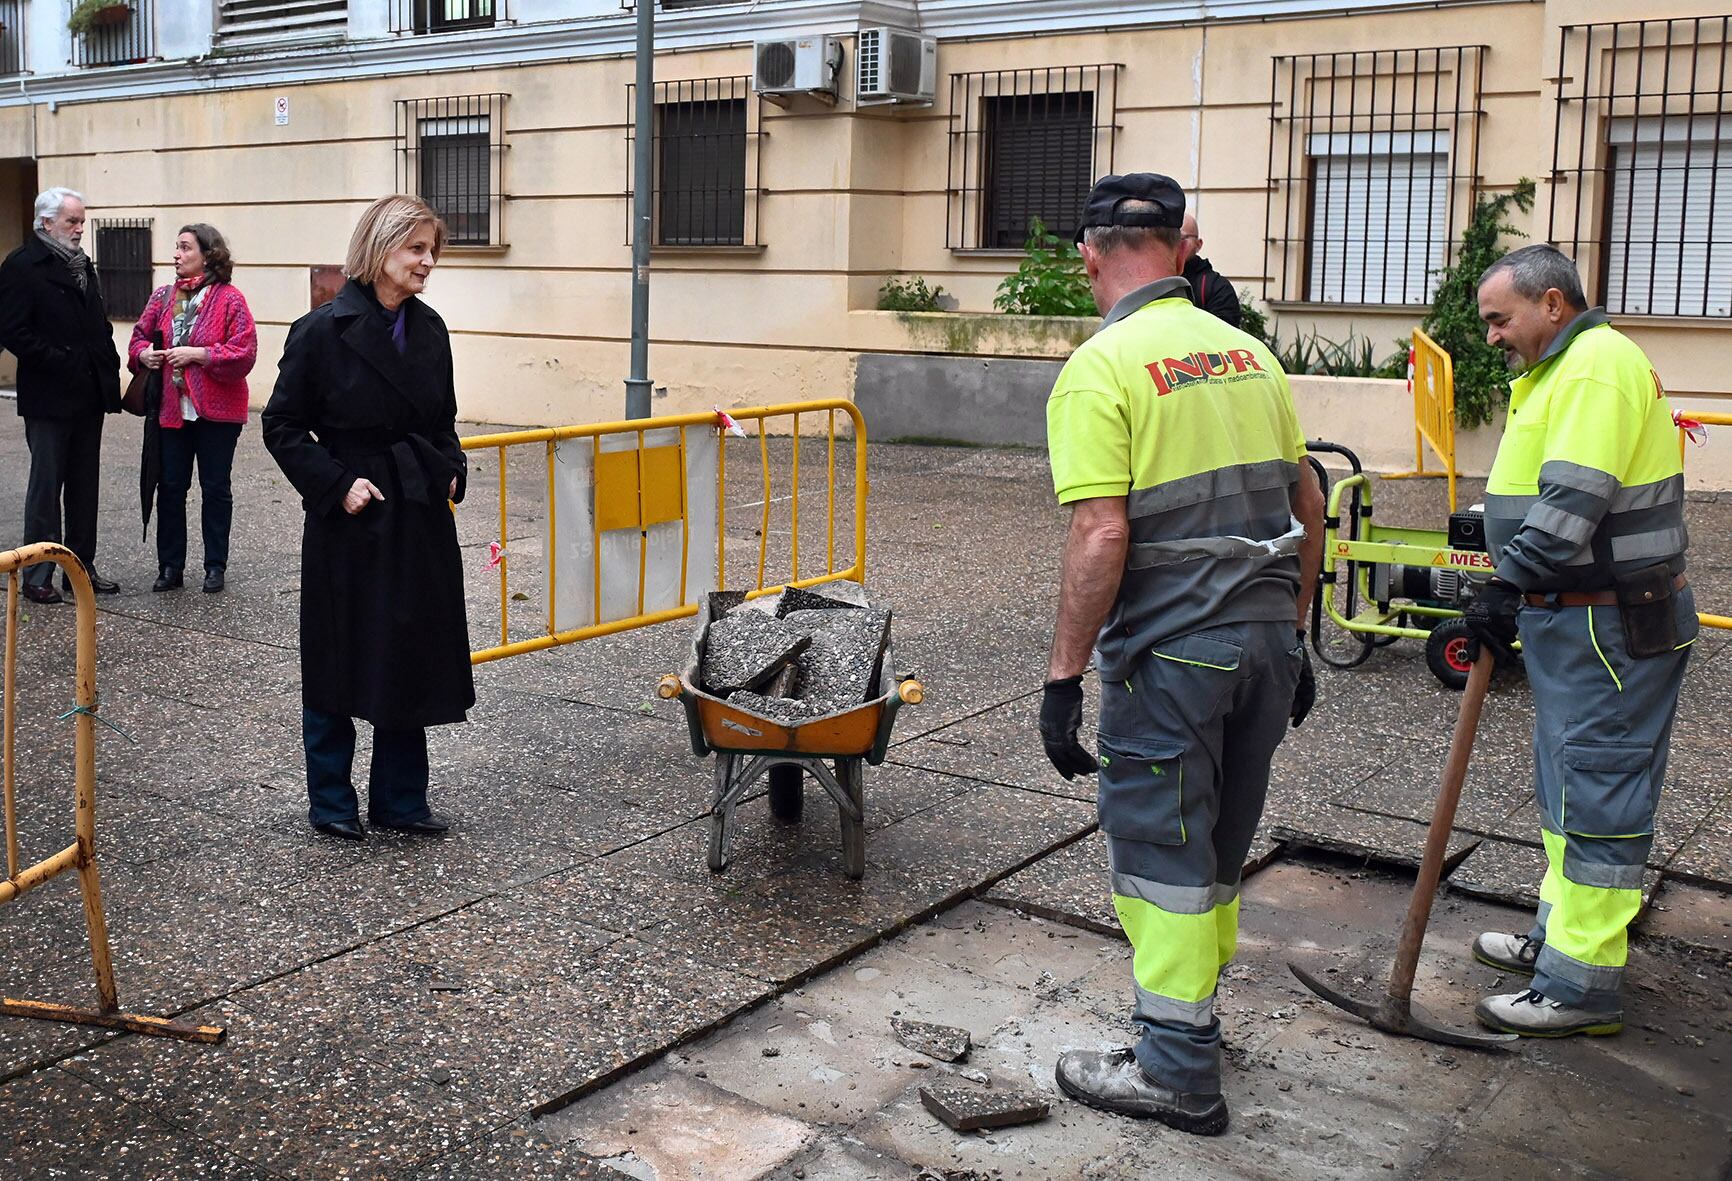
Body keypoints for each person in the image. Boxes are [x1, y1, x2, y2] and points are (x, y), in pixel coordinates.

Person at [1037, 173, 1323, 1134]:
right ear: (1181, 249)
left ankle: (1174, 1069)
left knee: (1162, 850)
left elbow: (1100, 537)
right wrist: (1297, 627)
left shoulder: (1104, 366)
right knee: (1214, 847)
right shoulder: (1250, 356)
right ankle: (1191, 1019)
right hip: (1264, 650)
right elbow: (1307, 503)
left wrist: (1063, 676)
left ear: (1090, 254)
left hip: (1173, 656)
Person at [1463, 244, 1692, 1038]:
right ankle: (1559, 942)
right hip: (1579, 617)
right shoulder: (1566, 367)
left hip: (1607, 620)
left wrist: (1507, 578)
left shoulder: (1594, 365)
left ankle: (1581, 986)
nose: (1491, 335)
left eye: (1501, 318)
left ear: (1552, 304)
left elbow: (1573, 503)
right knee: (1568, 786)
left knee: (1598, 793)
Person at [262, 195, 472, 842]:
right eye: (416, 249)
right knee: (339, 653)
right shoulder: (322, 330)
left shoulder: (430, 328)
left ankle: (401, 799)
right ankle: (330, 799)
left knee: (409, 652)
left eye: (431, 250)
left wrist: (452, 466)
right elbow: (282, 424)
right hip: (351, 517)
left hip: (417, 511)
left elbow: (441, 419)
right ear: (380, 251)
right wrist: (335, 484)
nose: (427, 262)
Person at [0, 187, 123, 604]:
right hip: (50, 394)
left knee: (85, 485)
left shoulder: (81, 263)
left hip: (88, 392)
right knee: (46, 484)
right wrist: (59, 359)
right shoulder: (22, 265)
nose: (79, 228)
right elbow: (13, 330)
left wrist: (107, 359)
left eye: (82, 221)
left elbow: (96, 321)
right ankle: (39, 571)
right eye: (72, 221)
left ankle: (81, 568)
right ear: (46, 222)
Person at [129, 224, 258, 594]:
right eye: (177, 247)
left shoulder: (230, 298)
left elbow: (244, 352)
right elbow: (138, 336)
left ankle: (215, 566)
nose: (177, 254)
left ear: (208, 254)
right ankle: (170, 567)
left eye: (185, 247)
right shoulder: (162, 297)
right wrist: (144, 355)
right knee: (170, 487)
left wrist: (201, 354)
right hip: (171, 410)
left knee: (215, 488)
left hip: (218, 413)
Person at [1177, 213, 1242, 328]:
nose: (1176, 244)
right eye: (1170, 237)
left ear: (1198, 244)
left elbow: (1225, 335)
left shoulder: (1217, 287)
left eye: (1182, 238)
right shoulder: (1152, 279)